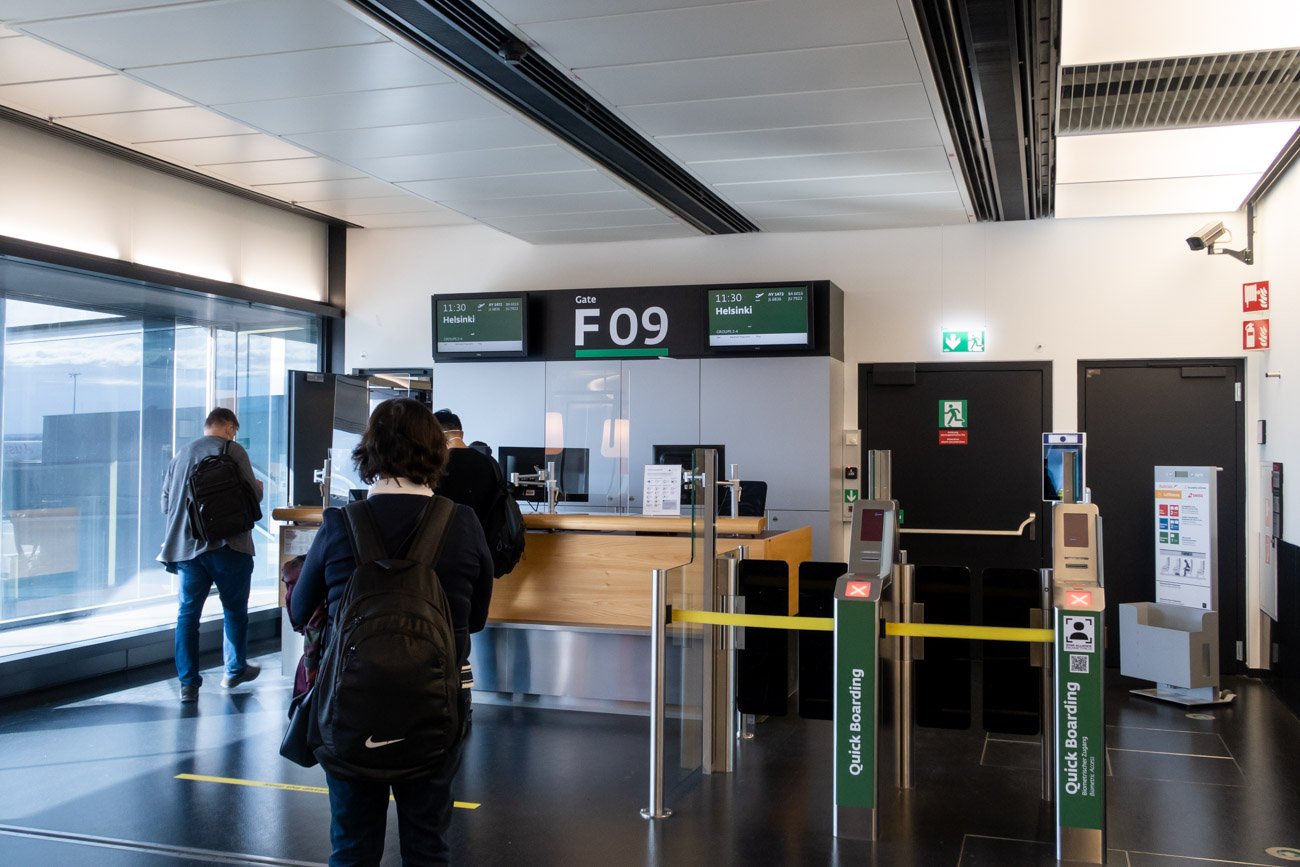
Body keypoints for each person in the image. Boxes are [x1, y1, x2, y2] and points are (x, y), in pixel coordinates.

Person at [290, 398, 493, 866]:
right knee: (428, 846)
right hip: (437, 707)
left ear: (370, 451)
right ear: (436, 453)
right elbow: (477, 620)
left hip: (349, 707)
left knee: (352, 847)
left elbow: (301, 612)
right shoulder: (462, 523)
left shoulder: (340, 523)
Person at [159, 407, 264, 703]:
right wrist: (259, 488)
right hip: (228, 545)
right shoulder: (232, 449)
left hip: (187, 549)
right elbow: (251, 496)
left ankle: (188, 684)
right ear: (230, 427)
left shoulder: (181, 454)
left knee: (188, 615)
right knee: (234, 609)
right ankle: (233, 670)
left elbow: (166, 503)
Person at [433, 409, 502, 533]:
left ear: (437, 435)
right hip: (482, 540)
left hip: (447, 537)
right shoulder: (490, 463)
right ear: (462, 434)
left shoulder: (436, 465)